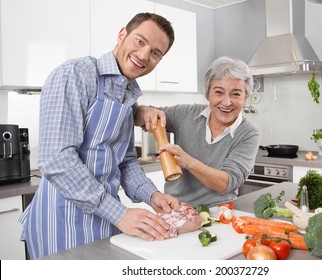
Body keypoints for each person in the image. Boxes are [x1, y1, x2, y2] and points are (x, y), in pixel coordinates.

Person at [19, 13, 181, 259]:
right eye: (140, 41)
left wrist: (152, 194)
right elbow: (57, 159)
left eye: (156, 52)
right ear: (122, 35)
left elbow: (125, 161)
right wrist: (120, 214)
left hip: (105, 222)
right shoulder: (75, 74)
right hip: (61, 223)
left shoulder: (129, 95)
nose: (144, 55)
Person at [135, 57, 261, 207]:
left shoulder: (249, 134)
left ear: (245, 98)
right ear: (207, 94)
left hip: (220, 212)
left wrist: (188, 162)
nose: (227, 102)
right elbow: (139, 116)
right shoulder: (186, 114)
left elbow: (226, 183)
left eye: (236, 94)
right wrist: (146, 110)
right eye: (219, 92)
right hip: (176, 207)